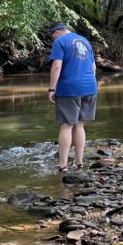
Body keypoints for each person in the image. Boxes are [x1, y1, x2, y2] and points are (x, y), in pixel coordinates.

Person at [47, 22, 98, 173]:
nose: (52, 39)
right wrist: (89, 84)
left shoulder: (60, 41)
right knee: (79, 125)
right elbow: (93, 67)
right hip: (89, 86)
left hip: (70, 87)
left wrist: (51, 89)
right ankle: (79, 161)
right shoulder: (85, 41)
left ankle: (63, 165)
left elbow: (57, 66)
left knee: (66, 125)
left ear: (57, 32)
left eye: (52, 36)